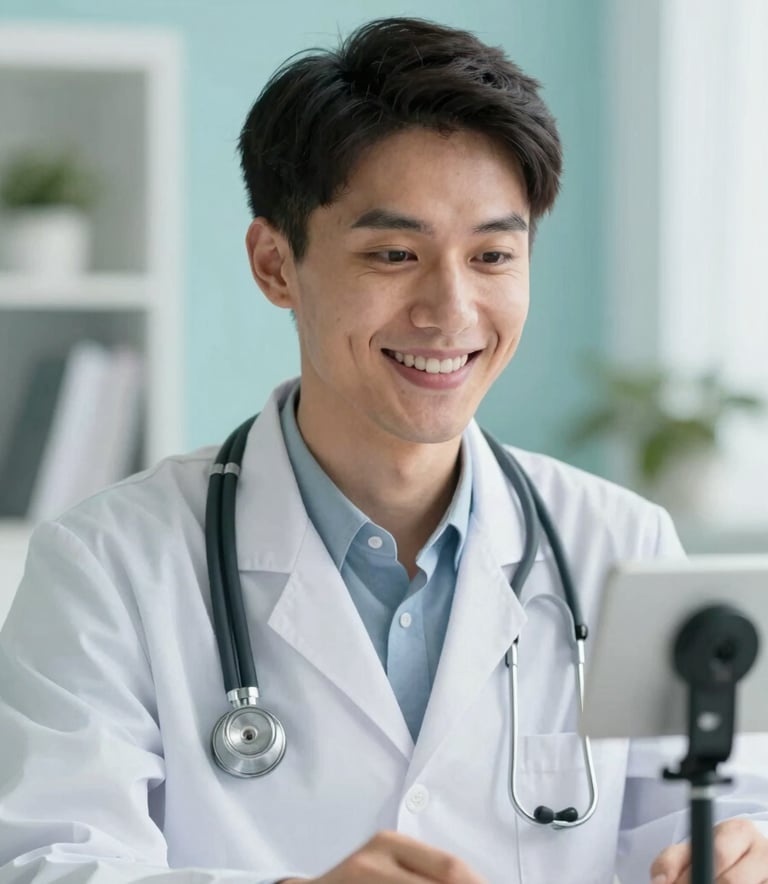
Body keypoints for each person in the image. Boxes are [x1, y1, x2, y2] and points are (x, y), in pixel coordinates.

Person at [0, 16, 766, 884]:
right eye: (395, 253)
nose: (450, 311)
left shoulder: (624, 546)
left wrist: (744, 853)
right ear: (275, 264)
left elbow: (725, 811)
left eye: (492, 255)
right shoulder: (108, 566)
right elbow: (49, 863)